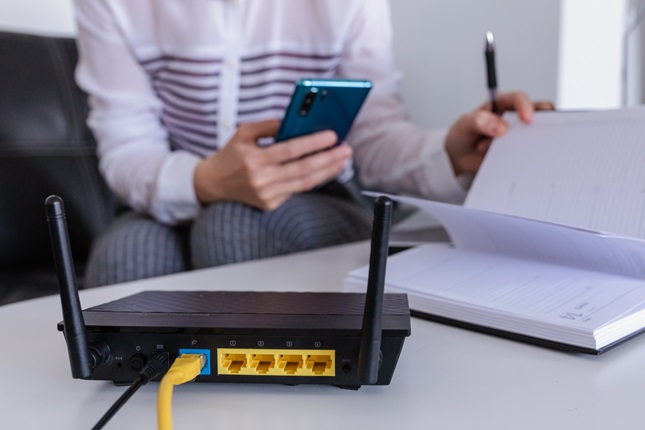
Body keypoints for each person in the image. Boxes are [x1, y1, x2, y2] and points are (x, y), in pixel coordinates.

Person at [73, 0, 547, 287]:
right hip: (172, 198)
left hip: (316, 202)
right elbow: (126, 147)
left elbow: (376, 139)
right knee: (126, 255)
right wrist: (206, 180)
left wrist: (450, 153)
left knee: (234, 223)